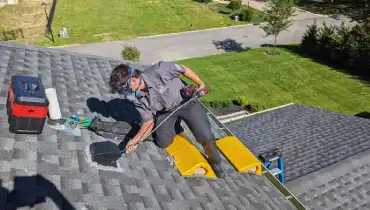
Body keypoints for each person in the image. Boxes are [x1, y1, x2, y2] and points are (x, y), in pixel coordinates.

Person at [108, 61, 225, 178]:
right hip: (166, 112)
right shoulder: (136, 98)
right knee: (162, 142)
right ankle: (176, 126)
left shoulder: (159, 70)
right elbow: (148, 121)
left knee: (205, 136)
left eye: (124, 88)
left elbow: (184, 70)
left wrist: (200, 84)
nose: (124, 92)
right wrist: (135, 141)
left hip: (188, 103)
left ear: (133, 79)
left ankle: (216, 162)